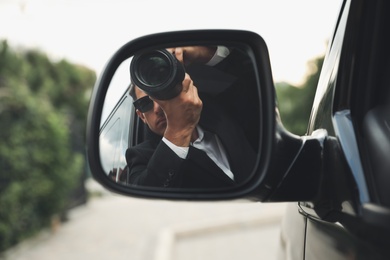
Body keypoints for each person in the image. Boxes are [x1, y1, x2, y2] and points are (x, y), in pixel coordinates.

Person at [125, 46, 257, 188]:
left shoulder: (221, 115)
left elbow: (253, 82)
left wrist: (205, 54)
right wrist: (177, 131)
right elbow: (144, 193)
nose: (158, 107)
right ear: (141, 116)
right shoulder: (140, 156)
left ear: (185, 90)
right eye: (146, 103)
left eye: (163, 94)